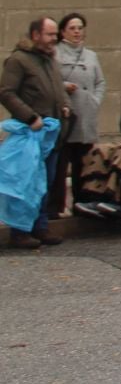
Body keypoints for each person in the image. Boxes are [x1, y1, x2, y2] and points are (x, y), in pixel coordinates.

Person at [1, 17, 71, 249]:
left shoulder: (49, 60)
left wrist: (64, 105)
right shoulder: (18, 60)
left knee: (45, 182)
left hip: (51, 135)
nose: (55, 39)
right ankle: (20, 231)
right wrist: (30, 117)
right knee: (26, 182)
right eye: (50, 35)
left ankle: (39, 227)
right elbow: (6, 93)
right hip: (31, 133)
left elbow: (56, 90)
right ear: (35, 36)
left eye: (55, 35)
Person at [51, 14, 104, 220]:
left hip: (86, 115)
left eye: (80, 27)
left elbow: (100, 82)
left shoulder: (91, 55)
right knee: (61, 163)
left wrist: (95, 100)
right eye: (72, 28)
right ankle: (56, 207)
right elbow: (51, 80)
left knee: (84, 163)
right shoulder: (54, 54)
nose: (77, 32)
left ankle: (82, 204)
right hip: (66, 115)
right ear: (63, 32)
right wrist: (64, 87)